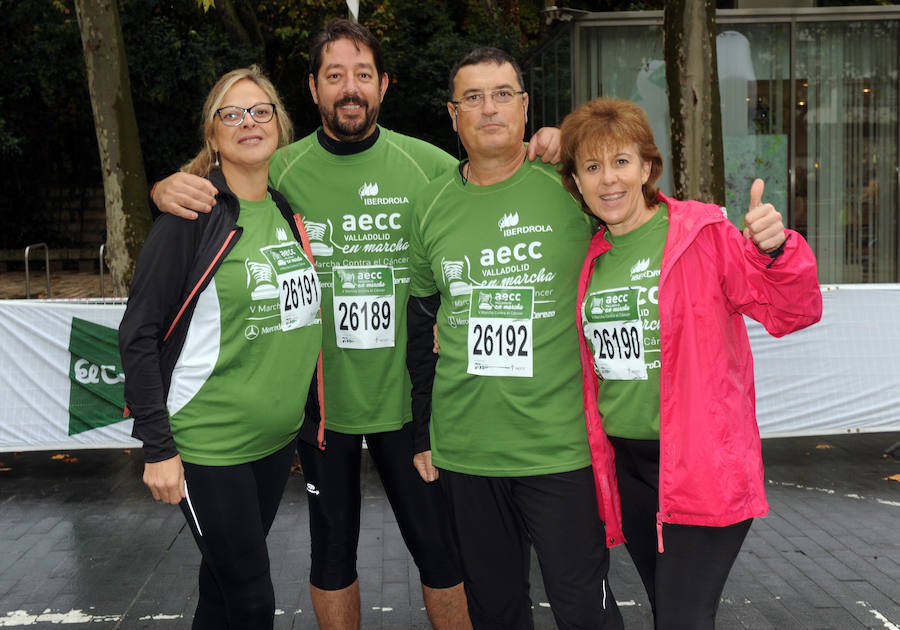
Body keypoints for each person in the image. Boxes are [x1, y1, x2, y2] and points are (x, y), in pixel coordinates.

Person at [148, 19, 563, 630]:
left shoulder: (427, 164)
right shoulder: (276, 169)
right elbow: (211, 193)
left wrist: (555, 142)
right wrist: (163, 189)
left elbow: (494, 178)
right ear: (313, 88)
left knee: (441, 553)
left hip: (409, 404)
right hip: (320, 409)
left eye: (363, 75)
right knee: (331, 554)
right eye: (335, 75)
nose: (350, 88)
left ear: (384, 85)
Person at [558, 97, 823, 629]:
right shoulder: (593, 257)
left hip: (701, 468)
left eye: (621, 161)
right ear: (577, 183)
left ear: (648, 167)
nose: (608, 180)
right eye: (592, 167)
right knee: (671, 613)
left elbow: (792, 311)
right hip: (629, 473)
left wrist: (777, 250)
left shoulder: (702, 235)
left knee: (681, 619)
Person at [407, 47, 624, 630]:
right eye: (472, 98)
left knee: (584, 608)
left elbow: (640, 214)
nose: (489, 108)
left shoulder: (572, 186)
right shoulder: (428, 205)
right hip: (466, 450)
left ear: (526, 107)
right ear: (453, 115)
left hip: (560, 448)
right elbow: (420, 320)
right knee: (497, 610)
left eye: (502, 94)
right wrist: (422, 426)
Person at [119, 66, 323, 628]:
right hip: (209, 446)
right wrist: (158, 448)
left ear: (279, 126)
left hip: (274, 444)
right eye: (231, 113)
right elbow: (137, 334)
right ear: (213, 135)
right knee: (253, 599)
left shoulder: (284, 211)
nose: (248, 122)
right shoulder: (191, 218)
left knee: (222, 589)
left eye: (260, 110)